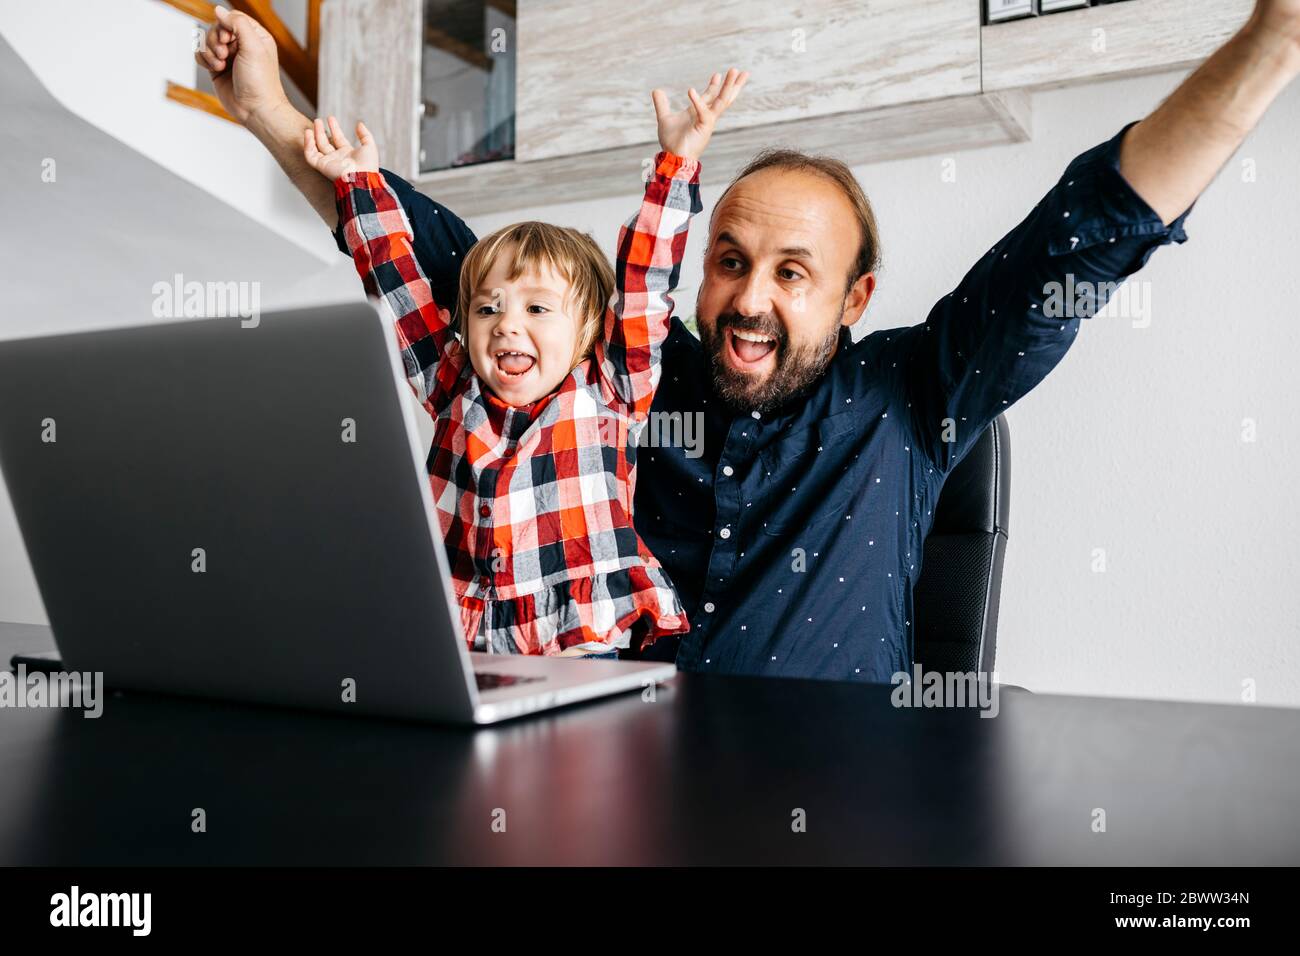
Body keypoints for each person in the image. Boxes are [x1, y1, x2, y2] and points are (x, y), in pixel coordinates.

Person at [198, 1, 1300, 681]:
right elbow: (435, 259)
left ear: (854, 295)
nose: (749, 300)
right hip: (603, 798)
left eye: (790, 272)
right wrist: (266, 107)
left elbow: (1091, 225)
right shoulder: (616, 377)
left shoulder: (918, 390)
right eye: (729, 260)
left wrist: (1272, 37)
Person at [293, 73, 746, 656]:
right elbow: (399, 290)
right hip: (464, 637)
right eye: (488, 308)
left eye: (536, 307)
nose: (506, 324)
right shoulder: (453, 383)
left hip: (577, 637)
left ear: (587, 332)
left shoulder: (610, 388)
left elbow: (644, 284)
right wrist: (360, 185)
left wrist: (676, 163)